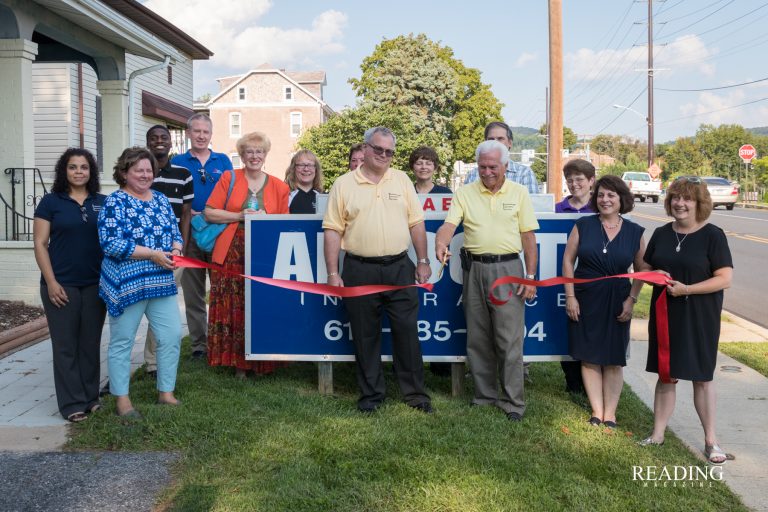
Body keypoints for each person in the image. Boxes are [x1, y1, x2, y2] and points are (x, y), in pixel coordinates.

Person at [323, 126, 433, 414]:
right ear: (366, 148)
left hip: (399, 267)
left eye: (390, 152)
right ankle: (371, 395)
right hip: (359, 269)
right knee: (364, 334)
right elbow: (333, 230)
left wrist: (423, 260)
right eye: (378, 149)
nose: (384, 155)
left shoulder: (403, 180)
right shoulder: (344, 184)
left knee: (407, 332)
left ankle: (416, 395)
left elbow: (416, 223)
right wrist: (333, 273)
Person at [435, 140, 539, 421]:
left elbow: (529, 237)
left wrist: (530, 278)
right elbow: (448, 226)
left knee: (508, 339)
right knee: (478, 338)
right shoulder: (465, 193)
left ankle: (513, 402)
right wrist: (441, 241)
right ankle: (484, 396)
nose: (487, 171)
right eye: (482, 166)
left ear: (505, 166)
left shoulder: (518, 193)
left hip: (508, 270)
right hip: (474, 271)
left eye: (493, 166)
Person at [639, 177, 733, 465]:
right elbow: (646, 265)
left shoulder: (713, 235)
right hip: (665, 312)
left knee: (702, 378)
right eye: (676, 198)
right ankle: (657, 434)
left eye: (687, 198)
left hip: (700, 315)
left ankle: (711, 440)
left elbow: (725, 279)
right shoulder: (662, 233)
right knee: (667, 374)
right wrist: (652, 274)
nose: (680, 203)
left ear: (699, 203)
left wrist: (687, 289)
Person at [99, 147, 183, 418]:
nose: (145, 175)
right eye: (138, 170)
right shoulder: (114, 201)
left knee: (170, 336)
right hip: (128, 283)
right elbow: (111, 243)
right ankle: (122, 401)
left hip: (161, 281)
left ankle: (166, 393)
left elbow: (174, 230)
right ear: (124, 173)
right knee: (123, 342)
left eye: (149, 170)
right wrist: (152, 254)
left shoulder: (160, 199)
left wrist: (177, 248)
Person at [562, 175, 648, 428]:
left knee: (613, 357)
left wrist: (631, 300)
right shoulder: (583, 225)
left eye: (611, 195)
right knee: (589, 356)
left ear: (622, 199)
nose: (605, 200)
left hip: (617, 299)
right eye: (600, 195)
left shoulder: (634, 231)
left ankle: (610, 413)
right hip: (586, 296)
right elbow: (568, 261)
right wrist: (571, 296)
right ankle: (596, 411)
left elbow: (641, 269)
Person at [204, 131, 290, 378]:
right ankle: (236, 363)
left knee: (261, 304)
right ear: (241, 155)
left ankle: (262, 363)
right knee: (233, 304)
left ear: (265, 155)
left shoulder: (279, 186)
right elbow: (210, 212)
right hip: (231, 250)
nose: (254, 156)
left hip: (264, 251)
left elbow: (284, 223)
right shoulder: (229, 178)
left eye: (259, 151)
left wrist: (266, 219)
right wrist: (240, 216)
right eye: (249, 151)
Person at [33, 148, 106, 423]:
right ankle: (72, 403)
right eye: (73, 167)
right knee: (65, 345)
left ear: (91, 172)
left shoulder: (102, 202)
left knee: (90, 343)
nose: (78, 172)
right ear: (64, 171)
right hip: (60, 284)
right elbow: (40, 243)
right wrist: (51, 282)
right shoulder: (51, 202)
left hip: (95, 284)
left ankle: (91, 398)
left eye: (84, 167)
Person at [172, 113, 233, 359]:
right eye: (196, 131)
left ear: (211, 134)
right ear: (188, 133)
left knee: (221, 289)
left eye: (205, 132)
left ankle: (222, 341)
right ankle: (199, 345)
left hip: (218, 232)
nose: (201, 136)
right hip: (189, 233)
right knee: (193, 292)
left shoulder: (223, 160)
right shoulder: (177, 161)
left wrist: (213, 212)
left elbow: (231, 193)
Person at [143, 124, 193, 378]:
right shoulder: (141, 172)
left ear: (171, 143)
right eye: (154, 138)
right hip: (143, 254)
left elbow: (185, 214)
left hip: (173, 252)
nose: (159, 141)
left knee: (163, 305)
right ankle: (150, 360)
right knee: (144, 307)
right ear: (148, 142)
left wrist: (180, 248)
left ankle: (153, 362)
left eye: (164, 138)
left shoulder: (183, 174)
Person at [555, 159, 596, 396]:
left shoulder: (601, 208)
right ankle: (573, 383)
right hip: (567, 279)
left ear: (591, 181)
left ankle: (591, 380)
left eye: (579, 179)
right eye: (570, 180)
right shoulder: (559, 210)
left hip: (594, 280)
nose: (574, 184)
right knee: (569, 327)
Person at [463, 121, 539, 194]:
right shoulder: (473, 175)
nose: (495, 142)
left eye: (500, 139)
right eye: (491, 139)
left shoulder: (524, 174)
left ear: (510, 143)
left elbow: (532, 205)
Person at [285, 149, 324, 214]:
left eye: (310, 165)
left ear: (316, 169)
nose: (306, 169)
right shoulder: (286, 197)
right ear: (293, 169)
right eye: (301, 165)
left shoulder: (322, 198)